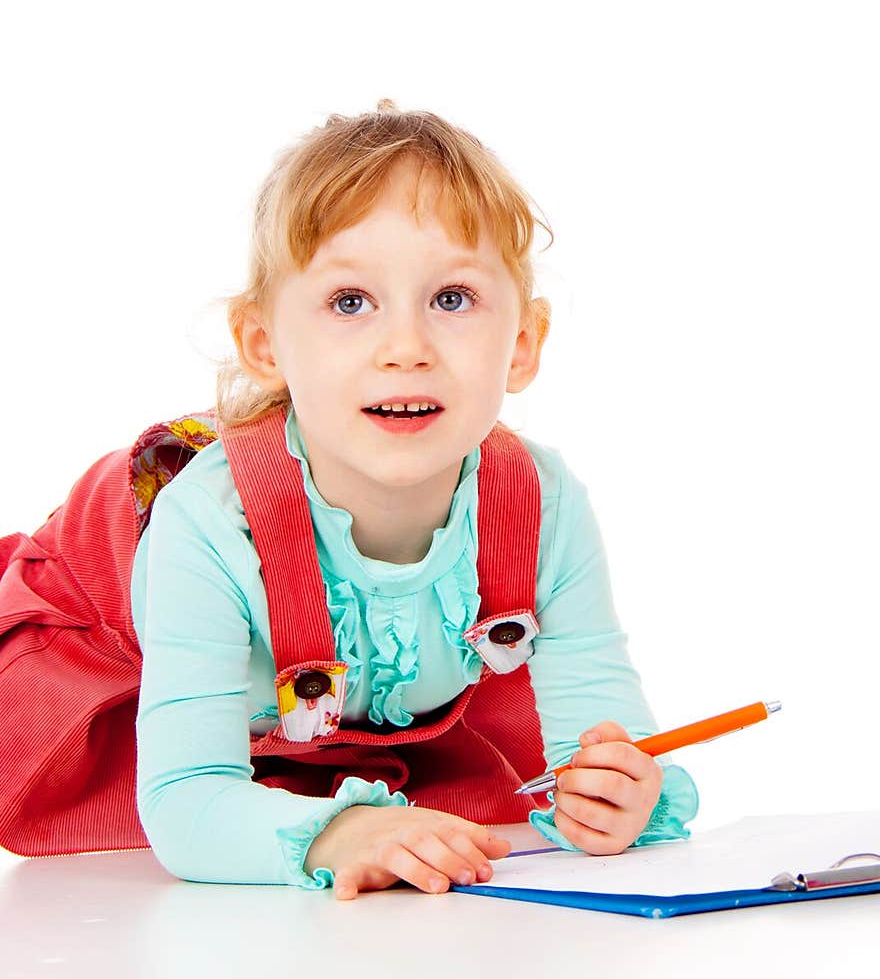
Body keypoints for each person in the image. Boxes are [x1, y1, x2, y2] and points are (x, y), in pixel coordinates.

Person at [2, 100, 699, 895]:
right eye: (349, 302)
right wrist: (339, 827)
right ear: (265, 345)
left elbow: (610, 736)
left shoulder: (542, 504)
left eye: (452, 299)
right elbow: (186, 800)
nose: (405, 349)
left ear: (525, 344)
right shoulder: (209, 521)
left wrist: (620, 791)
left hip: (336, 703)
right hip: (111, 650)